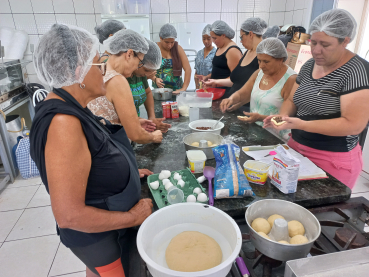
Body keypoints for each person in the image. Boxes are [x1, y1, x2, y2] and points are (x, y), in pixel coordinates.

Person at [30, 24, 153, 277]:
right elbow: (70, 216)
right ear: (79, 73)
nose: (105, 71)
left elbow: (93, 157)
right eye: (99, 65)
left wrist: (127, 171)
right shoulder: (63, 123)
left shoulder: (71, 105)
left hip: (102, 231)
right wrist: (132, 217)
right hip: (96, 239)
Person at [264, 9, 369, 188]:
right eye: (313, 42)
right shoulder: (309, 64)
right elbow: (291, 99)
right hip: (296, 148)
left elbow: (353, 124)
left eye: (325, 45)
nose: (316, 51)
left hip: (333, 159)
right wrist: (282, 117)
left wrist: (300, 124)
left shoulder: (357, 71)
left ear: (345, 41)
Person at [88, 29, 163, 144]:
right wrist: (153, 136)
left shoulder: (99, 71)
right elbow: (135, 135)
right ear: (129, 54)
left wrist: (135, 121)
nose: (137, 67)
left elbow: (105, 117)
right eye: (140, 62)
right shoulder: (118, 80)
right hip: (111, 146)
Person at [220, 38, 297, 141]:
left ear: (280, 59)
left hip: (277, 137)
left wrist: (260, 117)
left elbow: (284, 117)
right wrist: (231, 99)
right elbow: (243, 93)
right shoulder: (259, 73)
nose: (261, 65)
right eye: (259, 60)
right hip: (257, 132)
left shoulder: (291, 79)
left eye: (266, 61)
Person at [204, 18, 267, 103]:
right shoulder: (246, 53)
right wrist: (215, 82)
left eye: (242, 37)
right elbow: (236, 81)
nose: (240, 41)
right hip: (235, 102)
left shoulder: (264, 57)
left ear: (251, 34)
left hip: (249, 106)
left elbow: (255, 86)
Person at [126, 39, 171, 133]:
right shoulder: (122, 77)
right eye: (146, 70)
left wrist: (151, 118)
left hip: (135, 127)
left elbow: (147, 92)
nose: (149, 74)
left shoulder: (139, 74)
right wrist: (151, 137)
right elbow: (122, 116)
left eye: (152, 71)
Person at [206, 20, 243, 96]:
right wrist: (207, 77)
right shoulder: (220, 46)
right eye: (212, 38)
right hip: (217, 91)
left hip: (228, 93)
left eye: (215, 38)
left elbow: (236, 78)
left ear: (223, 35)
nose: (213, 41)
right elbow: (220, 69)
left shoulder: (232, 50)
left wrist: (216, 83)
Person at [153, 23, 191, 94]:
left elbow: (188, 69)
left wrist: (184, 88)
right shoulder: (154, 49)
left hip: (176, 90)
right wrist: (154, 79)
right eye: (166, 42)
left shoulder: (178, 49)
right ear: (161, 38)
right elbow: (146, 69)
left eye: (172, 42)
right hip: (159, 91)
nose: (169, 45)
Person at [194, 24, 216, 89]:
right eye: (204, 39)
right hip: (200, 86)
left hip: (211, 86)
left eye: (208, 39)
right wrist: (197, 87)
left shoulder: (216, 53)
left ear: (212, 38)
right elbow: (196, 73)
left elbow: (216, 72)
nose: (206, 41)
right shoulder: (199, 53)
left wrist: (207, 77)